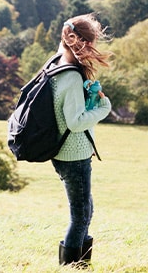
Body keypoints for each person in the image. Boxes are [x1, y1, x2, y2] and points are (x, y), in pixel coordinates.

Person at [50, 13, 112, 267]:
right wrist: (103, 108)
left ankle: (82, 264)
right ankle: (72, 267)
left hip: (65, 152)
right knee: (80, 216)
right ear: (82, 42)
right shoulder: (72, 76)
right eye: (93, 42)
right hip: (73, 155)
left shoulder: (57, 63)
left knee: (86, 211)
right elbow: (75, 122)